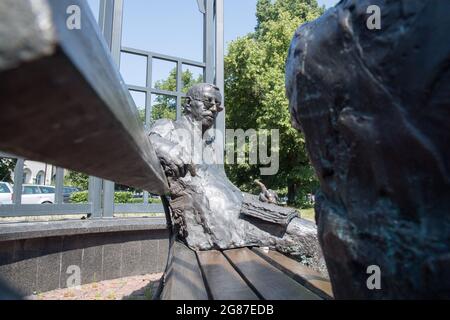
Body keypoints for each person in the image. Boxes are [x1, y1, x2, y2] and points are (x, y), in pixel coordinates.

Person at [149, 83, 325, 273]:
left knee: (316, 236)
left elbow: (227, 188)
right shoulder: (170, 127)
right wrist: (167, 149)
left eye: (218, 105)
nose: (214, 109)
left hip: (238, 212)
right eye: (208, 103)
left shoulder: (211, 145)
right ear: (189, 104)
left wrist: (258, 199)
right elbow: (146, 141)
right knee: (315, 238)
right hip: (216, 223)